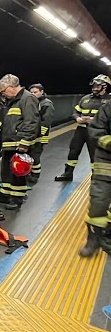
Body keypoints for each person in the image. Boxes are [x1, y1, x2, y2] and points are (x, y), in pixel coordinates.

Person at [0, 74, 39, 210]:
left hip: (19, 144)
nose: (3, 94)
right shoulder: (12, 101)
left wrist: (25, 142)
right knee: (6, 172)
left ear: (11, 87)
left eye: (3, 91)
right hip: (9, 144)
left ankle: (17, 199)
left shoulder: (28, 99)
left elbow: (31, 122)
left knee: (18, 174)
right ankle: (4, 194)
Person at [55, 75, 111, 181]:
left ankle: (96, 177)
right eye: (93, 86)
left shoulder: (109, 101)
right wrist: (77, 118)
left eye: (97, 86)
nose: (94, 88)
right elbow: (76, 111)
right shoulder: (85, 99)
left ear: (105, 87)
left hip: (96, 132)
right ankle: (68, 174)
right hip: (81, 131)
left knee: (94, 155)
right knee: (73, 151)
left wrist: (94, 120)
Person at [80, 99, 111, 257]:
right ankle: (94, 240)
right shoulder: (108, 107)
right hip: (106, 163)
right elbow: (96, 131)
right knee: (99, 202)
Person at [27, 83, 54, 183]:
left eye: (35, 92)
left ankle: (35, 176)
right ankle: (29, 173)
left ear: (41, 92)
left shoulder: (46, 104)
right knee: (31, 155)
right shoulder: (33, 102)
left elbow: (45, 122)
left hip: (39, 136)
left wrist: (39, 134)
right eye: (31, 92)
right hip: (33, 134)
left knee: (35, 156)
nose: (33, 94)